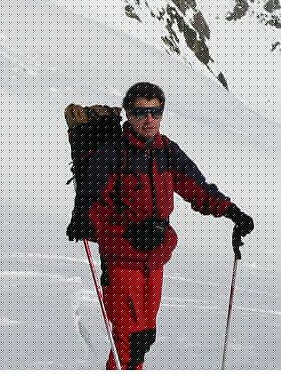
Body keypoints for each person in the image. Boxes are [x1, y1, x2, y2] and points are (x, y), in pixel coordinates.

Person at [67, 82, 255, 369]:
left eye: (155, 111)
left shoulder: (167, 151)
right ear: (129, 115)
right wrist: (114, 229)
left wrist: (231, 211)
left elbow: (197, 188)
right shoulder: (113, 154)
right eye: (141, 112)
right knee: (128, 339)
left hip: (155, 256)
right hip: (122, 258)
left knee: (144, 337)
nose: (149, 119)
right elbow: (93, 205)